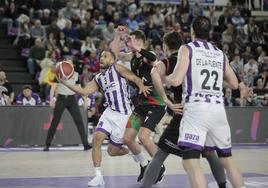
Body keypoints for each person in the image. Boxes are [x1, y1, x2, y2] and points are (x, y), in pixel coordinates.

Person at [164, 16, 245, 188]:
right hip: (218, 110)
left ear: (192, 31)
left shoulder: (187, 49)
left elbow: (176, 80)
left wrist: (163, 78)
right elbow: (234, 83)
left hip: (196, 109)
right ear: (208, 32)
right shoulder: (219, 53)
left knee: (191, 162)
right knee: (227, 160)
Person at [141, 31, 227, 188]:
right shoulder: (195, 59)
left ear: (166, 47)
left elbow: (154, 72)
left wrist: (166, 99)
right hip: (204, 112)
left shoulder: (168, 62)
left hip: (184, 115)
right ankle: (223, 186)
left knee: (159, 156)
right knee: (210, 153)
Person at [61, 49, 151, 187]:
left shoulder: (117, 68)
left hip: (124, 114)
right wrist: (66, 83)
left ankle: (133, 154)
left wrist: (141, 85)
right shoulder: (98, 78)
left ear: (112, 59)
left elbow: (134, 77)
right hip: (109, 112)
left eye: (105, 56)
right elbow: (84, 91)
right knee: (97, 138)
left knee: (112, 152)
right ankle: (98, 176)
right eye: (101, 56)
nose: (101, 58)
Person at [112, 29, 167, 183]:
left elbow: (153, 57)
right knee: (128, 138)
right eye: (128, 41)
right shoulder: (133, 58)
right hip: (141, 105)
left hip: (156, 105)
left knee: (143, 137)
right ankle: (144, 165)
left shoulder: (147, 56)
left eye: (132, 40)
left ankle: (160, 166)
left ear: (140, 42)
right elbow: (116, 57)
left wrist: (136, 48)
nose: (129, 43)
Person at [43, 61, 91, 151]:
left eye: (71, 63)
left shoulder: (76, 74)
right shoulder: (59, 72)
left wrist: (84, 99)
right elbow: (54, 86)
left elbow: (78, 87)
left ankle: (86, 144)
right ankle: (47, 144)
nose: (70, 64)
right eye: (68, 63)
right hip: (61, 99)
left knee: (79, 121)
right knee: (55, 122)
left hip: (72, 99)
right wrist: (51, 99)